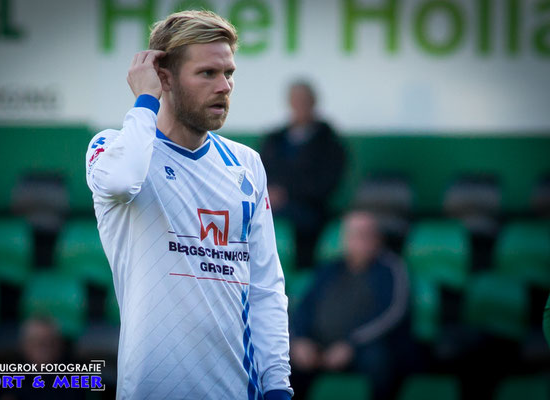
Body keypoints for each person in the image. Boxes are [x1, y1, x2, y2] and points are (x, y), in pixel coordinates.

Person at [85, 10, 292, 400]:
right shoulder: (113, 148)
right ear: (165, 77)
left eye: (229, 73)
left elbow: (265, 288)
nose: (225, 86)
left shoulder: (246, 164)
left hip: (239, 391)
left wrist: (278, 384)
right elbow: (120, 180)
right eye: (207, 74)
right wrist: (146, 99)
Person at [289, 211, 409, 400]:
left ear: (377, 238)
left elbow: (392, 314)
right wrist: (301, 340)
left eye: (363, 234)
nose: (356, 241)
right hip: (320, 345)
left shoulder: (391, 269)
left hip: (364, 346)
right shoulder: (329, 269)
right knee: (281, 360)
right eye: (351, 234)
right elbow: (304, 307)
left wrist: (352, 344)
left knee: (378, 360)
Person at [261, 81, 347, 269]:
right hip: (271, 206)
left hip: (311, 214)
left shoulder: (330, 143)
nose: (300, 105)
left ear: (314, 102)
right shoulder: (274, 139)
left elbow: (326, 185)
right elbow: (260, 172)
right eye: (296, 100)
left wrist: (285, 194)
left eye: (304, 100)